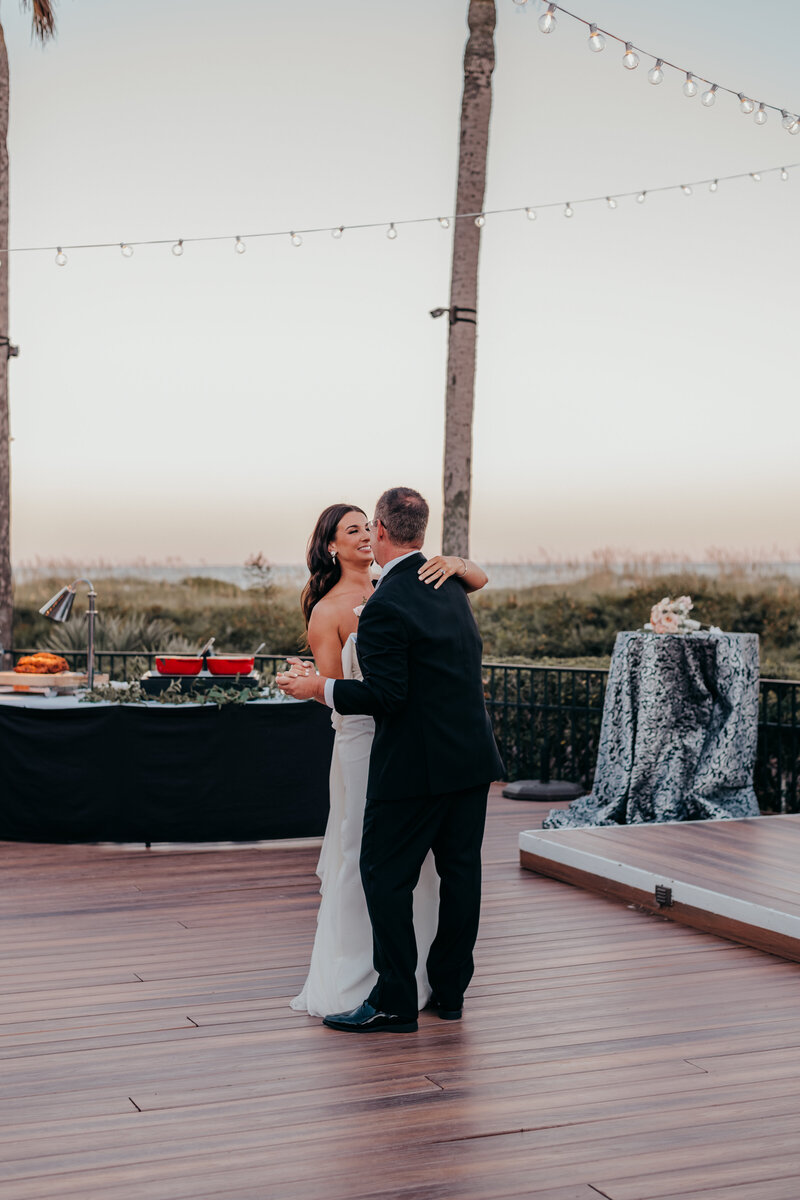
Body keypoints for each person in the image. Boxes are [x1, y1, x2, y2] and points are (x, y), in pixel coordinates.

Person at [278, 487, 504, 1033]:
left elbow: (387, 697)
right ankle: (449, 993)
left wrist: (315, 691)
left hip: (412, 767)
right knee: (461, 876)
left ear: (380, 530)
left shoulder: (384, 605)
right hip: (470, 760)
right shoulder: (448, 584)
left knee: (382, 876)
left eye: (366, 528)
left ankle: (396, 999)